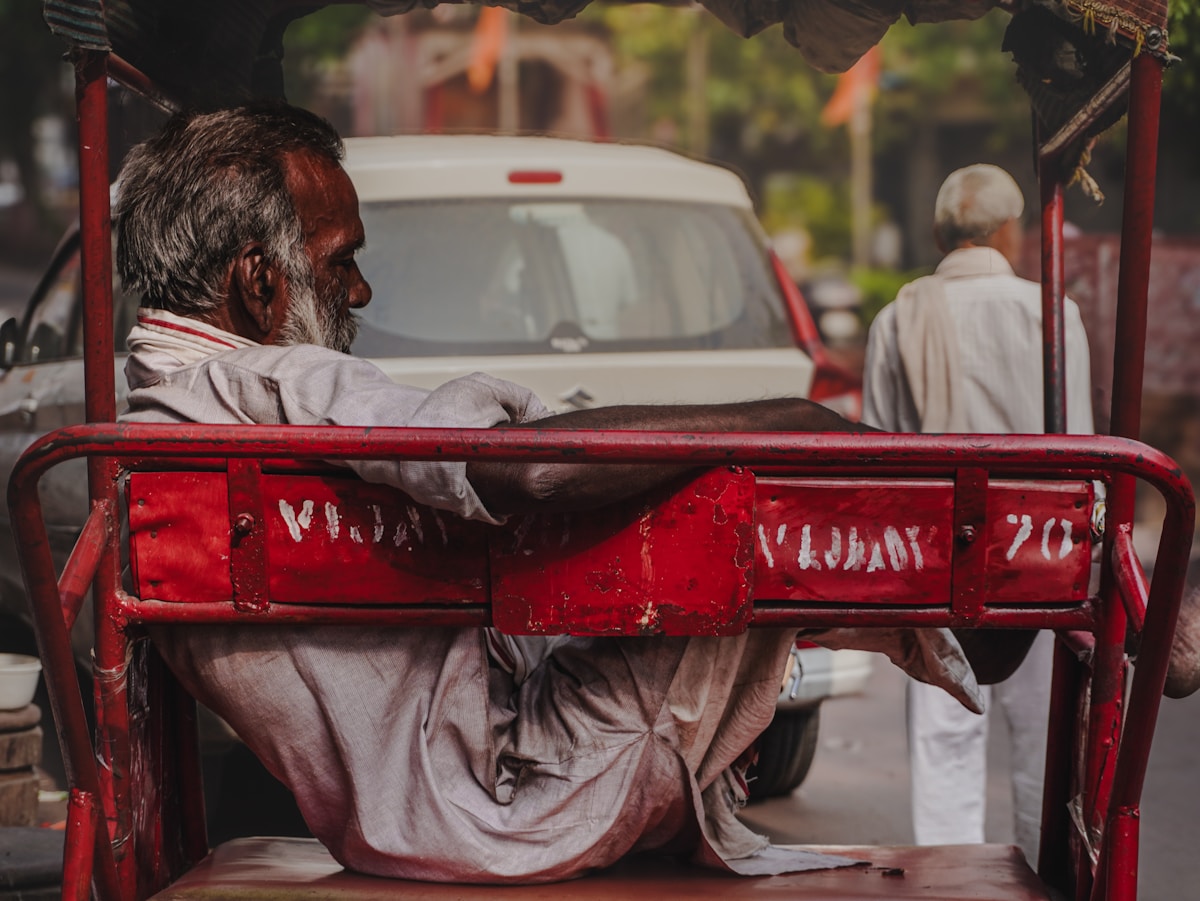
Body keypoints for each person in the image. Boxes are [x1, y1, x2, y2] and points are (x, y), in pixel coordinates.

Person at [113, 102, 985, 884]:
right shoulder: (278, 384)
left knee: (691, 527)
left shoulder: (152, 425)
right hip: (522, 803)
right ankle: (958, 629)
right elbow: (514, 469)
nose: (359, 291)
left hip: (404, 824)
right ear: (259, 282)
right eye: (341, 263)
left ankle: (941, 632)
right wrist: (796, 421)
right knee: (738, 493)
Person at [861, 163, 1095, 863]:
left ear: (940, 233)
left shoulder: (896, 316)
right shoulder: (1054, 315)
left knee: (943, 731)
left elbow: (878, 457)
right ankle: (1042, 871)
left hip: (935, 553)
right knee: (1042, 731)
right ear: (1008, 232)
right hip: (1043, 549)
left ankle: (950, 878)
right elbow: (1081, 447)